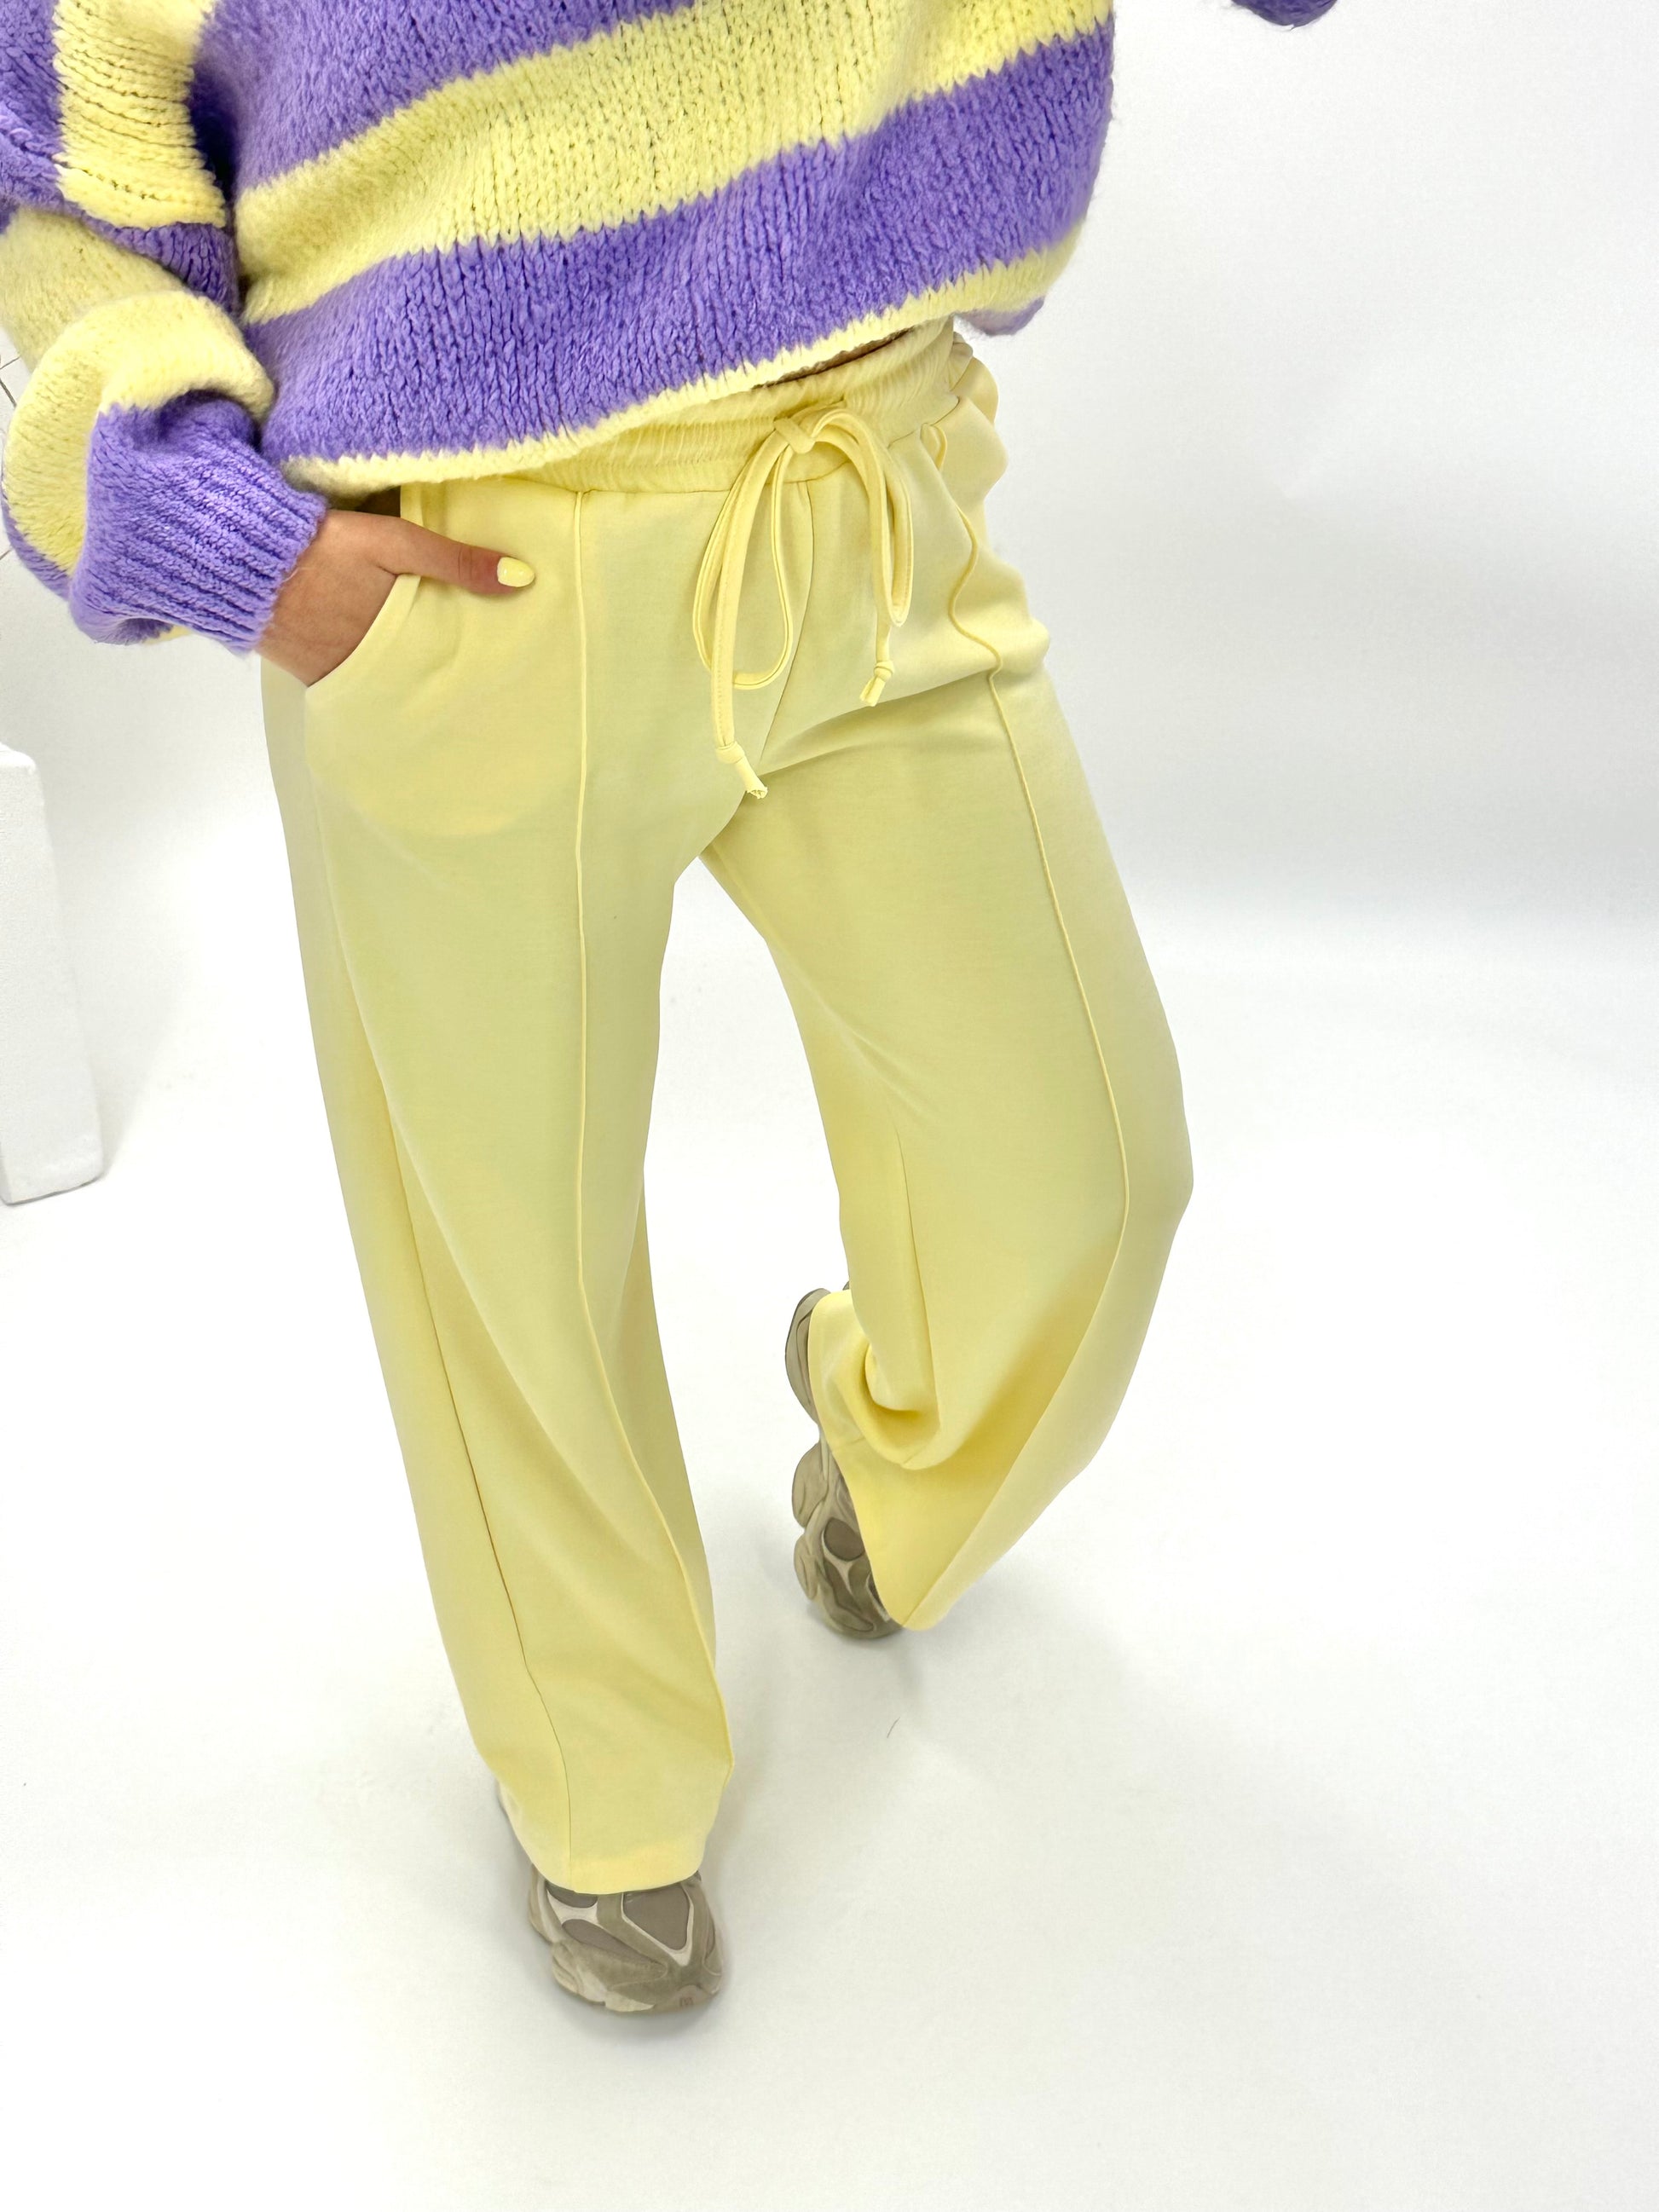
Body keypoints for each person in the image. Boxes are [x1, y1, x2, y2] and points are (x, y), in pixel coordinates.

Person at [0, 0, 1339, 2014]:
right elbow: (74, 186)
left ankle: (894, 1453)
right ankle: (603, 1793)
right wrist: (240, 545)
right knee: (507, 1267)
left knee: (1085, 1171)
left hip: (867, 486)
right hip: (460, 584)